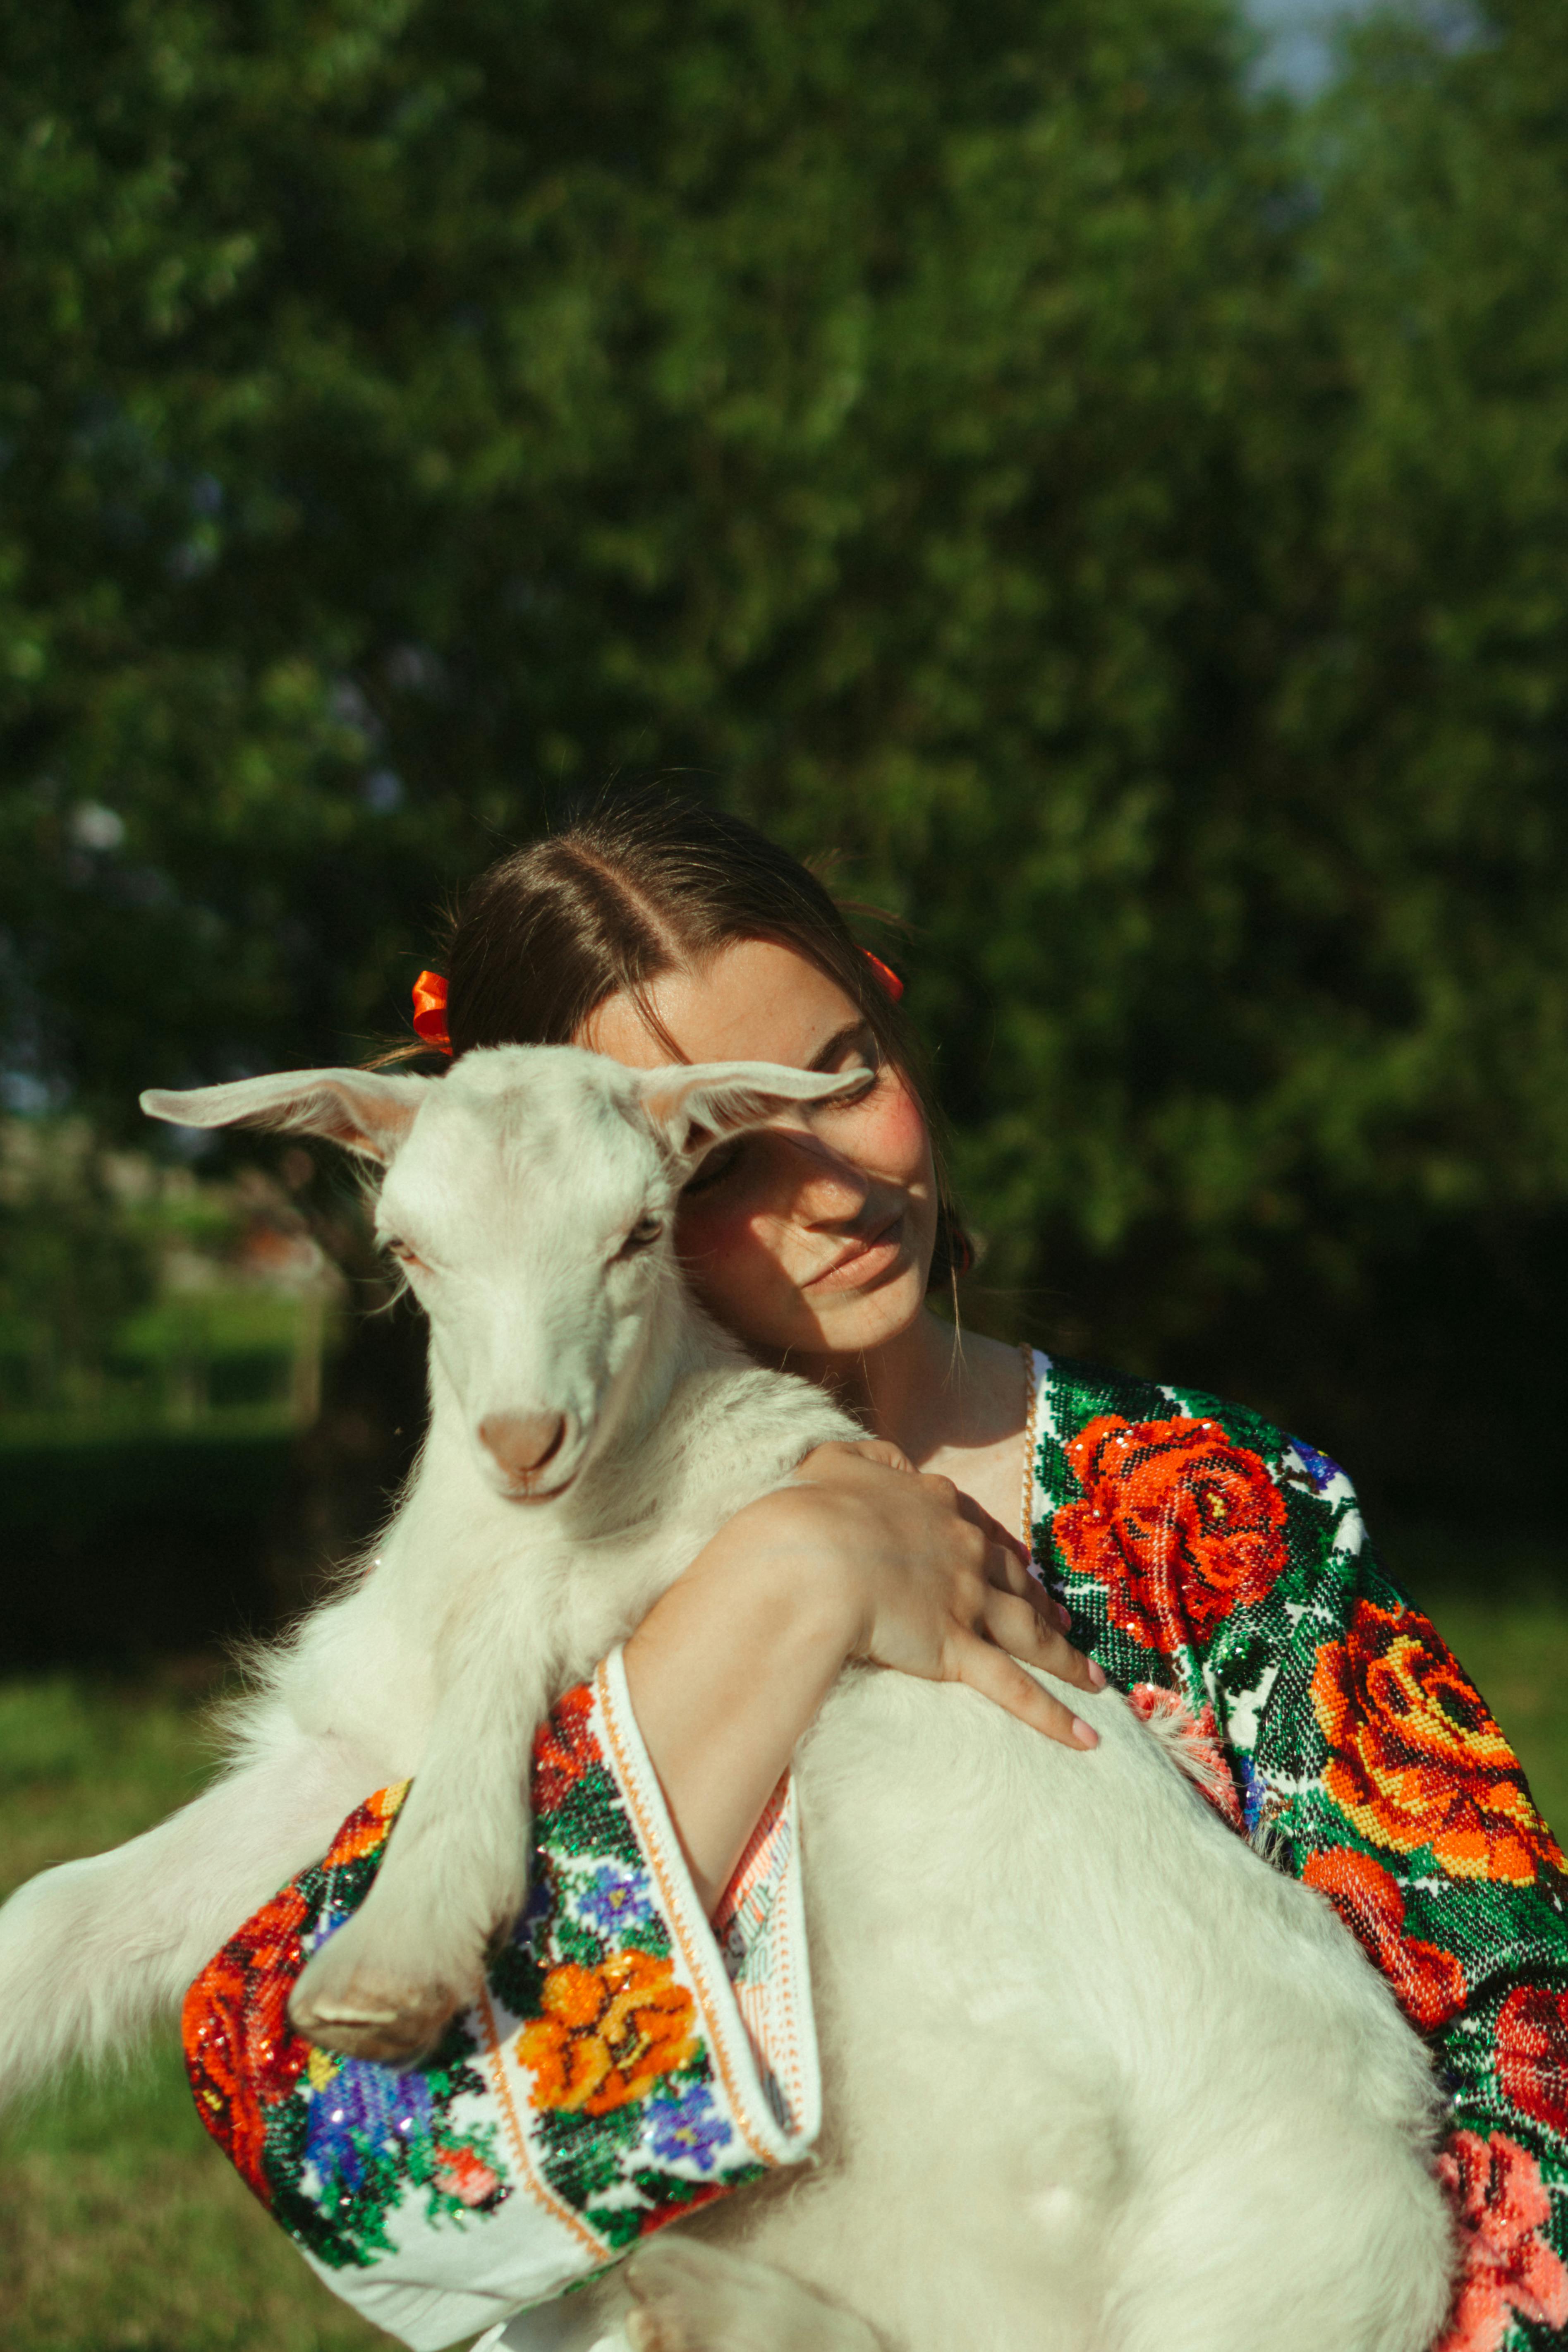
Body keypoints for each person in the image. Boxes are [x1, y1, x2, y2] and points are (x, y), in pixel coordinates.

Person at [183, 798, 1568, 2352]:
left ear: (897, 1028)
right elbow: (351, 2149)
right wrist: (801, 1569)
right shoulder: (524, 1580)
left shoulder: (1215, 1513)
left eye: (841, 1073)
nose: (826, 1185)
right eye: (708, 1161)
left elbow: (1521, 2052)